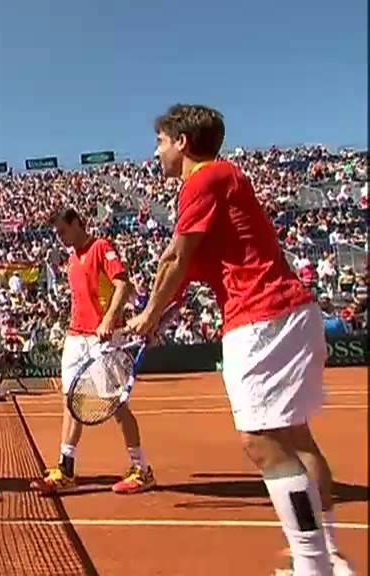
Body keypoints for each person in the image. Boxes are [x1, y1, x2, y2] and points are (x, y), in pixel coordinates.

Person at [128, 104, 351, 575]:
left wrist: (149, 314)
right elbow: (179, 262)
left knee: (260, 444)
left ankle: (313, 566)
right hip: (288, 312)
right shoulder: (219, 183)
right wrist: (157, 315)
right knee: (296, 440)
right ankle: (327, 557)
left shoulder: (203, 180)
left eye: (161, 141)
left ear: (182, 143)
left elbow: (176, 261)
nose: (157, 151)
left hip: (261, 317)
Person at [30, 209, 155, 496]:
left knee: (117, 406)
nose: (60, 239)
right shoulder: (72, 259)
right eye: (57, 234)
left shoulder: (101, 247)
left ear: (77, 224)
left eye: (63, 231)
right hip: (76, 338)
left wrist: (109, 319)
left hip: (102, 340)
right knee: (69, 402)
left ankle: (142, 469)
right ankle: (66, 468)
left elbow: (123, 286)